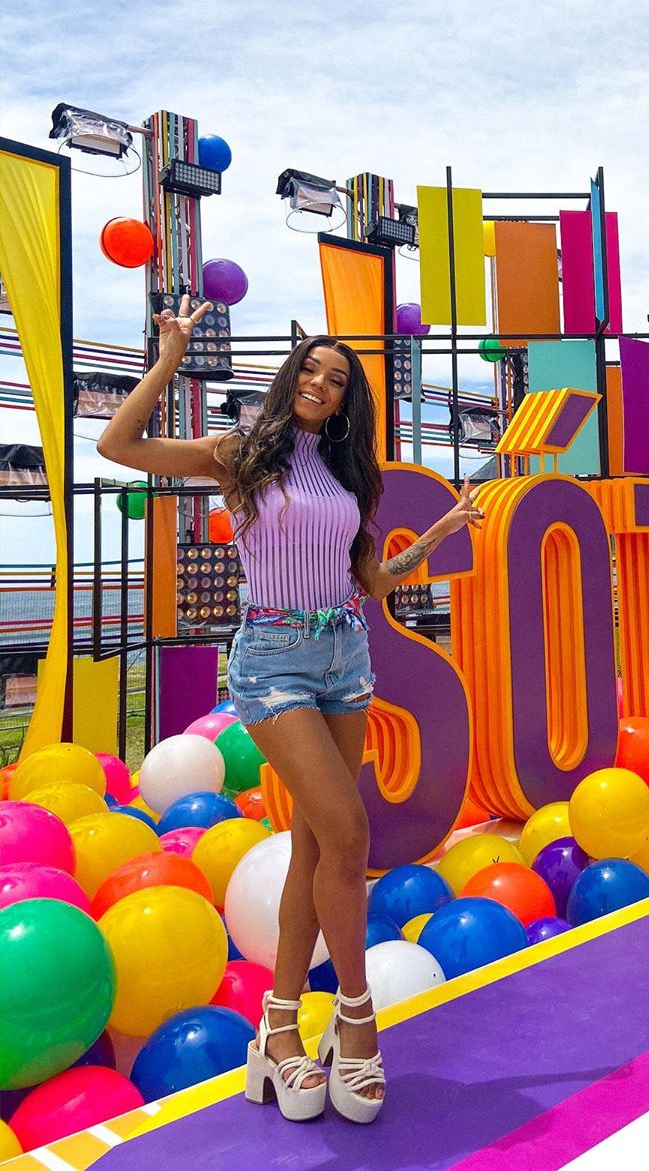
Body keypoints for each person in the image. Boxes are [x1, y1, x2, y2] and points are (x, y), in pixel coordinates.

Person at [98, 296, 483, 1124]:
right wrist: (168, 360)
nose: (319, 382)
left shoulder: (346, 476)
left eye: (336, 378)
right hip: (272, 662)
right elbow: (117, 445)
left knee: (319, 849)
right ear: (289, 378)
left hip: (346, 654)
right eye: (310, 368)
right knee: (349, 833)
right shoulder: (244, 455)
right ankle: (355, 1020)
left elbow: (370, 584)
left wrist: (441, 530)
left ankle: (276, 1034)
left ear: (347, 399)